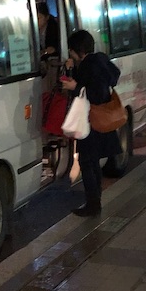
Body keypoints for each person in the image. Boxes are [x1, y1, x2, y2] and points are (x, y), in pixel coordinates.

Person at [59, 30, 121, 216]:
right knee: (92, 162)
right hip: (97, 120)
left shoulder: (90, 65)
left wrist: (74, 87)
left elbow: (94, 92)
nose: (70, 54)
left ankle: (93, 204)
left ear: (78, 50)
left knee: (87, 162)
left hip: (91, 121)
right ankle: (96, 200)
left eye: (71, 50)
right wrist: (72, 70)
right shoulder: (98, 60)